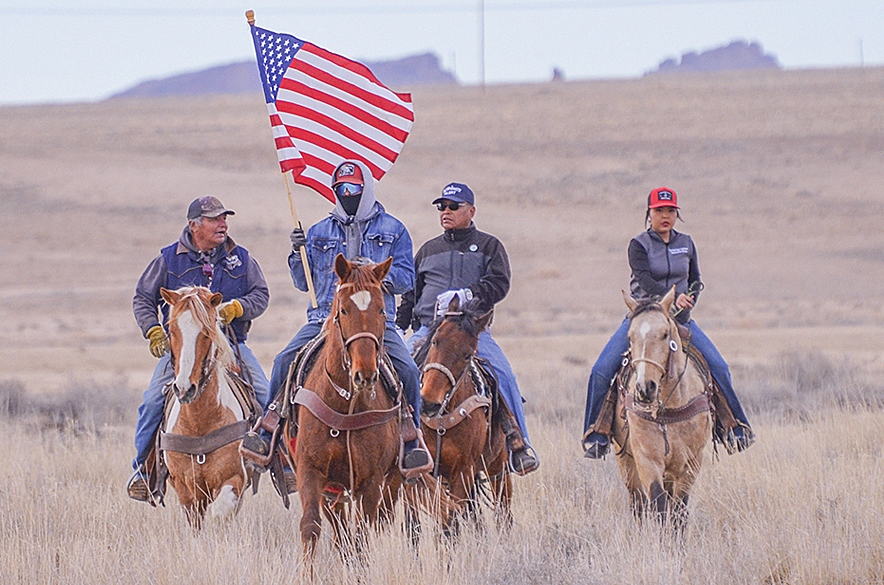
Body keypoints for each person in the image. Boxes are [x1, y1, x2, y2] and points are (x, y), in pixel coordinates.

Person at [255, 160, 430, 471]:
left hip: (377, 322)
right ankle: (270, 431)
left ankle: (411, 439)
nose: (347, 193)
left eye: (353, 188)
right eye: (341, 188)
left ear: (366, 190)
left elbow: (406, 278)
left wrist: (372, 277)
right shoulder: (320, 231)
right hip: (324, 317)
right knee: (284, 361)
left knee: (410, 373)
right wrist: (297, 255)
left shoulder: (393, 229)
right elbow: (302, 282)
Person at [581, 187, 754, 458]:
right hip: (644, 320)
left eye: (671, 211)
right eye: (659, 210)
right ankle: (596, 433)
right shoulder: (638, 245)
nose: (665, 215)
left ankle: (734, 429)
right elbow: (645, 280)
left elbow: (696, 278)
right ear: (649, 214)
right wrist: (671, 299)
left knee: (718, 366)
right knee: (602, 369)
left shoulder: (686, 242)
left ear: (676, 214)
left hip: (681, 322)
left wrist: (691, 298)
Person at [127, 196, 271, 501]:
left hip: (231, 345)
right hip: (182, 352)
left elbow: (261, 294)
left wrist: (238, 308)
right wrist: (153, 330)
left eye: (224, 219)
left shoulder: (240, 259)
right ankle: (144, 470)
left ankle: (281, 464)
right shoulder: (169, 259)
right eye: (215, 219)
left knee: (266, 395)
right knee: (153, 401)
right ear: (194, 225)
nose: (223, 225)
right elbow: (143, 297)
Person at [396, 182, 540, 475]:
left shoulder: (490, 246)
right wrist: (400, 327)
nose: (446, 212)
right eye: (441, 207)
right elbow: (411, 293)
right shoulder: (428, 250)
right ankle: (395, 444)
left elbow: (500, 284)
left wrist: (468, 295)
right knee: (400, 375)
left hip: (471, 332)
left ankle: (518, 443)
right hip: (429, 331)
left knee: (504, 375)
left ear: (471, 211)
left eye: (453, 206)